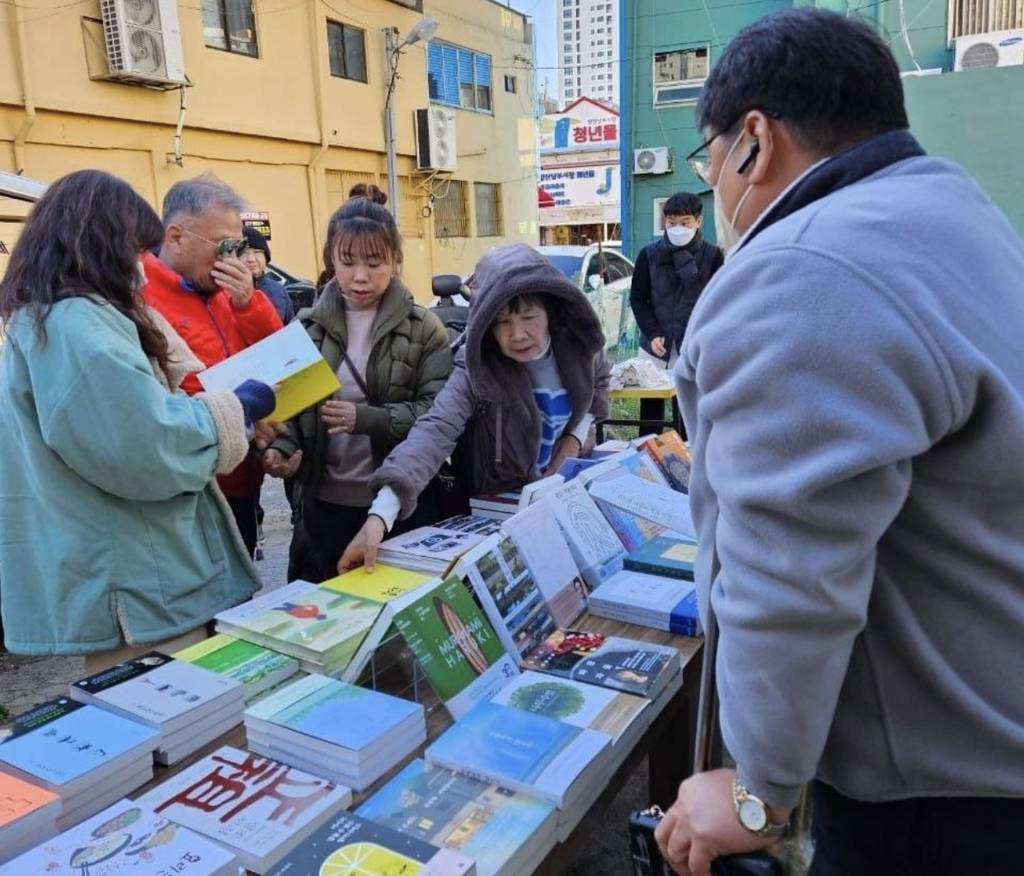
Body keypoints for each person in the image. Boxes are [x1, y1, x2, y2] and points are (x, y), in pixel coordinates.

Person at [657, 10, 1024, 876]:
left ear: (754, 140)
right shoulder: (957, 214)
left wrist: (760, 786)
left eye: (707, 154)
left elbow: (790, 575)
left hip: (939, 793)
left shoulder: (805, 269)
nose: (709, 182)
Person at [0, 170, 276, 670]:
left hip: (129, 564)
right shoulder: (76, 325)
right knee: (168, 717)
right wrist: (234, 411)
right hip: (137, 578)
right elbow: (146, 443)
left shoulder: (53, 315)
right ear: (103, 243)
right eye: (134, 250)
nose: (141, 265)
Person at [338, 243, 610, 573]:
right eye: (501, 322)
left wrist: (575, 440)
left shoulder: (582, 346)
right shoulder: (477, 366)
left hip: (562, 500)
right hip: (497, 512)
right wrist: (380, 516)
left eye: (529, 316)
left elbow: (599, 383)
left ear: (550, 310)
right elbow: (435, 431)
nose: (518, 334)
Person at [262, 198, 452, 581]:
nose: (360, 276)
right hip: (323, 509)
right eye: (347, 262)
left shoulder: (424, 329)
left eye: (374, 262)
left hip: (400, 507)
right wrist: (282, 451)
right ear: (331, 259)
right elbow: (294, 413)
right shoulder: (307, 330)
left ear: (395, 259)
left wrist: (367, 419)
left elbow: (437, 415)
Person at [142, 174, 284, 557]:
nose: (232, 258)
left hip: (243, 478)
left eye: (236, 246)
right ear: (175, 238)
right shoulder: (139, 297)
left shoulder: (226, 292)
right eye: (222, 246)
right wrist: (241, 414)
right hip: (191, 491)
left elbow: (277, 357)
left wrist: (249, 304)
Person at [629, 192, 724, 369]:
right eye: (672, 223)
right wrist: (652, 332)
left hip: (694, 346)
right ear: (665, 222)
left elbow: (720, 303)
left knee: (686, 396)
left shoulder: (713, 256)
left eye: (685, 222)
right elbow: (638, 299)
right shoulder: (648, 255)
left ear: (698, 222)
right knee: (651, 394)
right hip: (654, 346)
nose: (677, 228)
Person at [242, 224, 294, 324]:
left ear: (266, 257)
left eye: (257, 252)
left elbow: (289, 331)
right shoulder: (225, 293)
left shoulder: (279, 291)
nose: (251, 259)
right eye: (244, 252)